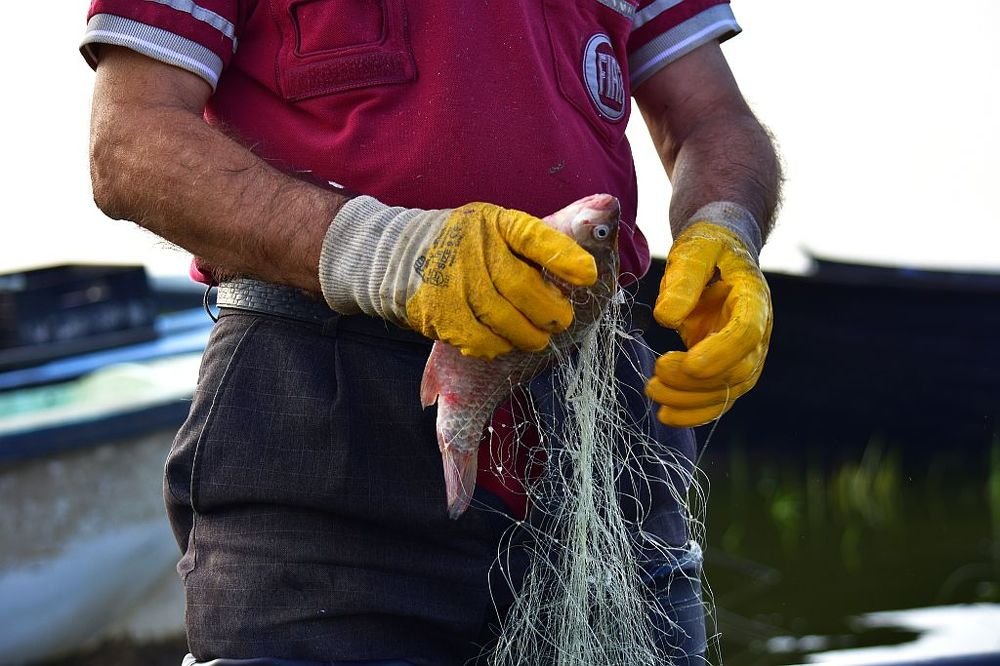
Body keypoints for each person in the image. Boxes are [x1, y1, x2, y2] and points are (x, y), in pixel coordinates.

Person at [81, 0, 780, 664]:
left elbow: (712, 120)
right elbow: (130, 142)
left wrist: (726, 228)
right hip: (323, 406)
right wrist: (392, 251)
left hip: (599, 412)